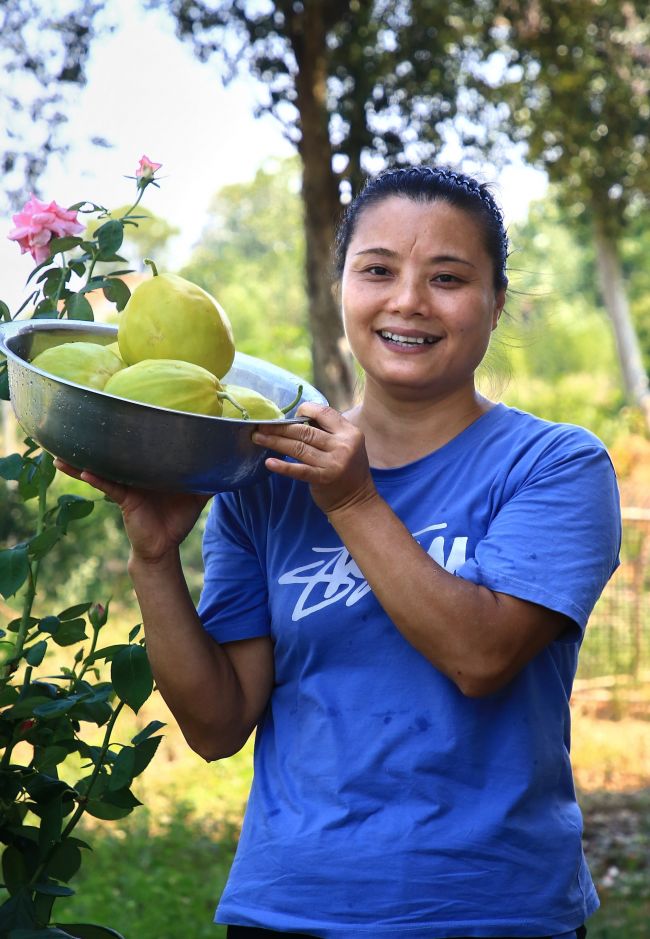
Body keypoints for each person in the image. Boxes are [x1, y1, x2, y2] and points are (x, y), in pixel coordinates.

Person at [55, 165, 621, 939]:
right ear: (341, 291)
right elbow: (217, 725)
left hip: (490, 909)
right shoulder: (265, 476)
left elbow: (480, 656)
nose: (408, 300)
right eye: (378, 270)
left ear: (496, 305)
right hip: (288, 905)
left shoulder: (554, 465)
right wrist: (154, 557)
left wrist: (354, 499)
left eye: (448, 277)